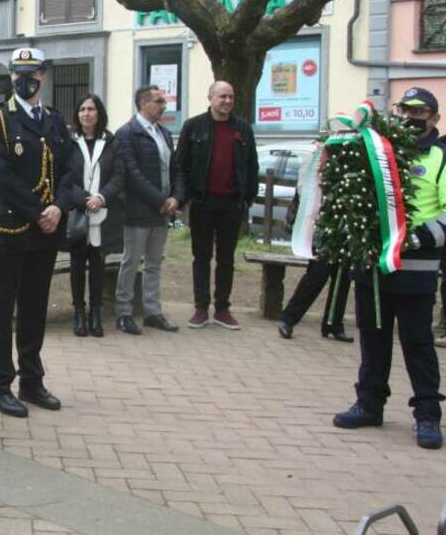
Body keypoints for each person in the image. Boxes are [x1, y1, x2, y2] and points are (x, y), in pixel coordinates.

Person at [334, 87, 444, 450]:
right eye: (405, 110)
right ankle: (369, 403)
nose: (412, 117)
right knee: (373, 337)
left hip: (416, 265)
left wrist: (413, 239)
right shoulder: (382, 151)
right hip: (374, 264)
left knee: (417, 342)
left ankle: (427, 415)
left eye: (420, 112)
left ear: (434, 118)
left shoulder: (441, 157)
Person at [0, 47, 74, 417]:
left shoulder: (54, 120)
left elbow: (71, 170)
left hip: (46, 231)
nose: (24, 80)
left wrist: (59, 207)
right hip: (11, 227)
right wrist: (39, 211)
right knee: (2, 310)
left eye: (32, 74)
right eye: (17, 74)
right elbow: (1, 175)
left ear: (44, 76)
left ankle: (32, 381)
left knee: (35, 307)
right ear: (9, 76)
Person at [172, 81, 258, 330]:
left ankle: (222, 309)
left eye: (230, 97)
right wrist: (184, 197)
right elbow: (181, 164)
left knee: (226, 258)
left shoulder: (243, 129)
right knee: (201, 257)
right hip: (202, 202)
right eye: (222, 96)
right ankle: (200, 308)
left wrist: (247, 198)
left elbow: (252, 165)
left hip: (232, 204)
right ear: (210, 97)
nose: (227, 101)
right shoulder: (193, 126)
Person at [113, 86, 181, 335]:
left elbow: (175, 169)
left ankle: (153, 311)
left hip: (162, 211)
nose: (164, 105)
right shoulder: (127, 133)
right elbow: (132, 174)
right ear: (143, 104)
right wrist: (160, 200)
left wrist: (176, 198)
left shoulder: (164, 133)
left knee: (154, 262)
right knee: (131, 261)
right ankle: (124, 312)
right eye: (159, 101)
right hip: (138, 210)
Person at [63, 94, 124, 338]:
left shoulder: (112, 143)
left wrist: (101, 197)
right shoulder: (69, 142)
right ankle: (79, 312)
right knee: (77, 264)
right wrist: (85, 198)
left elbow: (120, 176)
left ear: (99, 114)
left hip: (103, 212)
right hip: (79, 213)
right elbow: (64, 176)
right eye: (82, 109)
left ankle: (96, 313)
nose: (86, 113)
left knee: (98, 264)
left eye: (91, 109)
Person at [278, 182, 353, 342]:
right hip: (323, 226)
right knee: (317, 275)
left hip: (346, 225)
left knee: (342, 277)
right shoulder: (320, 162)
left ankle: (333, 324)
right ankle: (288, 318)